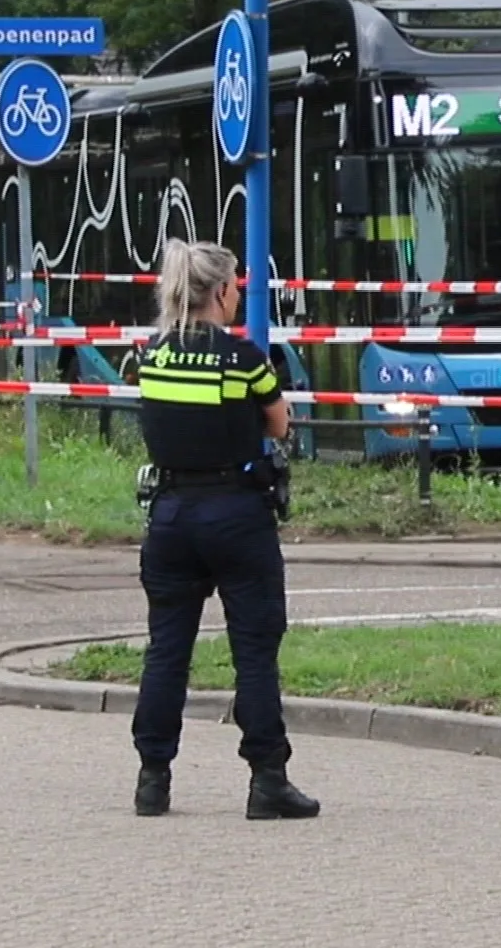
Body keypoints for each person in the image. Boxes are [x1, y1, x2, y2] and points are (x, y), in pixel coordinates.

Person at [128, 237, 319, 821]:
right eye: (236, 286)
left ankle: (152, 779)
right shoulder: (244, 358)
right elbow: (280, 426)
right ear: (220, 291)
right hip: (236, 515)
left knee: (167, 650)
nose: (238, 297)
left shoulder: (151, 353)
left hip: (170, 515)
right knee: (255, 651)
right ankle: (268, 781)